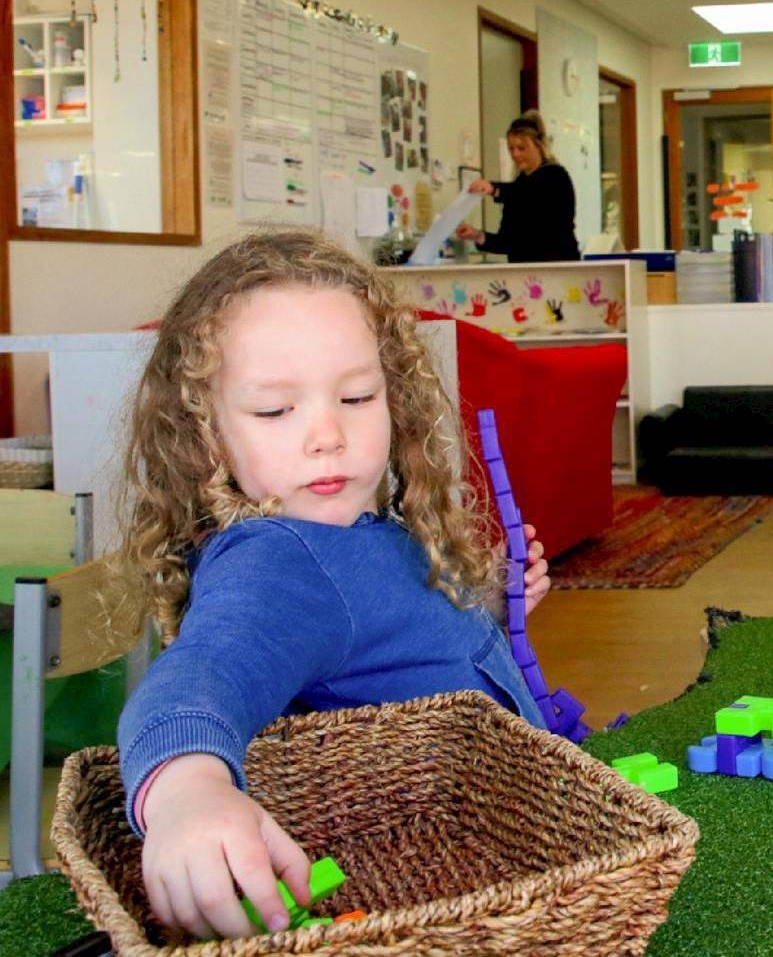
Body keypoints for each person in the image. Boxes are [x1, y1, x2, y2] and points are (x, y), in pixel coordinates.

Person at [111, 231, 554, 939]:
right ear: (206, 435)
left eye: (355, 396)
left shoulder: (359, 526)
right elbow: (203, 673)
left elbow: (384, 637)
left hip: (487, 841)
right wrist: (187, 792)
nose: (326, 434)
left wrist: (493, 610)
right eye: (274, 411)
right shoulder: (278, 557)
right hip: (436, 895)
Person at [456, 111, 580, 262]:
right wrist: (477, 235)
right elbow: (507, 241)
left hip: (556, 267)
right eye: (511, 149)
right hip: (524, 272)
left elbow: (529, 195)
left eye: (522, 148)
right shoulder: (519, 185)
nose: (515, 154)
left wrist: (493, 188)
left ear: (538, 146)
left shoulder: (556, 177)